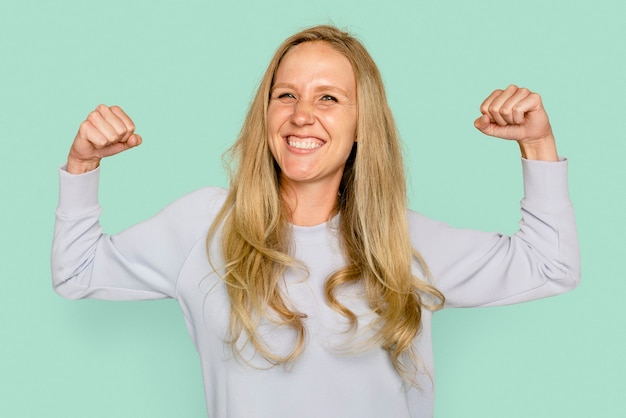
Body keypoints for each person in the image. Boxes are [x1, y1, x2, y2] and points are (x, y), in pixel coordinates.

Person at [51, 25, 580, 417]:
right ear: (267, 115)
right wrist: (83, 165)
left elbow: (550, 266)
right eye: (287, 95)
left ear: (361, 126)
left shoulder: (403, 242)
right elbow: (76, 272)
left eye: (328, 97)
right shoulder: (204, 225)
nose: (302, 113)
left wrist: (537, 143)